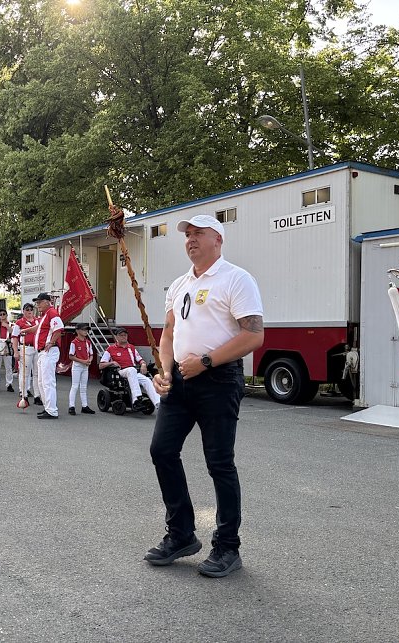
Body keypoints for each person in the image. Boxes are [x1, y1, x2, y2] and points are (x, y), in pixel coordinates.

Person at [144, 214, 263, 578]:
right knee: (162, 451)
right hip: (179, 380)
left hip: (218, 380)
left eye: (199, 234)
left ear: (219, 240)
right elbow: (167, 333)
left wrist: (207, 361)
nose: (191, 239)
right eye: (188, 235)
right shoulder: (179, 285)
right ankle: (181, 534)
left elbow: (254, 336)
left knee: (219, 463)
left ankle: (227, 546)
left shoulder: (236, 279)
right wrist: (164, 371)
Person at [99, 327, 161, 412]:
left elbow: (140, 359)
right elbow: (101, 365)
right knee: (131, 370)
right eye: (121, 335)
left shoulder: (131, 348)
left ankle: (158, 403)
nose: (124, 337)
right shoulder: (111, 349)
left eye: (125, 335)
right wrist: (112, 363)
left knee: (146, 380)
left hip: (133, 372)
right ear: (116, 337)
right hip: (120, 372)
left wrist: (143, 364)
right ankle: (136, 399)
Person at [33, 292, 64, 420]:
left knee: (47, 382)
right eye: (37, 302)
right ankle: (48, 408)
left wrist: (51, 342)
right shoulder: (46, 314)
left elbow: (59, 328)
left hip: (48, 351)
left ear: (47, 302)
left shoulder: (52, 313)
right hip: (43, 352)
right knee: (41, 382)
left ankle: (52, 410)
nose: (37, 304)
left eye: (39, 302)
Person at [13, 303, 41, 405]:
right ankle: (24, 395)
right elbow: (15, 337)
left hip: (37, 348)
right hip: (26, 348)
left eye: (31, 309)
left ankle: (37, 396)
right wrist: (15, 351)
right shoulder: (19, 323)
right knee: (25, 373)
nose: (29, 311)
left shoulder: (38, 321)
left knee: (37, 373)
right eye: (27, 309)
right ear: (23, 311)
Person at [68, 323, 95, 415]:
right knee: (75, 386)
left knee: (83, 387)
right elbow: (71, 356)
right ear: (77, 331)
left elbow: (91, 354)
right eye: (83, 330)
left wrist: (89, 360)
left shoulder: (88, 342)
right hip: (77, 366)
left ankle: (85, 406)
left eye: (86, 330)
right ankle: (71, 406)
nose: (86, 331)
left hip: (85, 366)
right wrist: (82, 361)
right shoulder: (74, 342)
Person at [0, 309, 15, 392]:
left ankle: (9, 384)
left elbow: (14, 334)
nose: (2, 316)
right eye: (1, 314)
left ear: (6, 315)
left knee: (8, 367)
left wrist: (7, 326)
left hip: (8, 345)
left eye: (4, 314)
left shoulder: (12, 325)